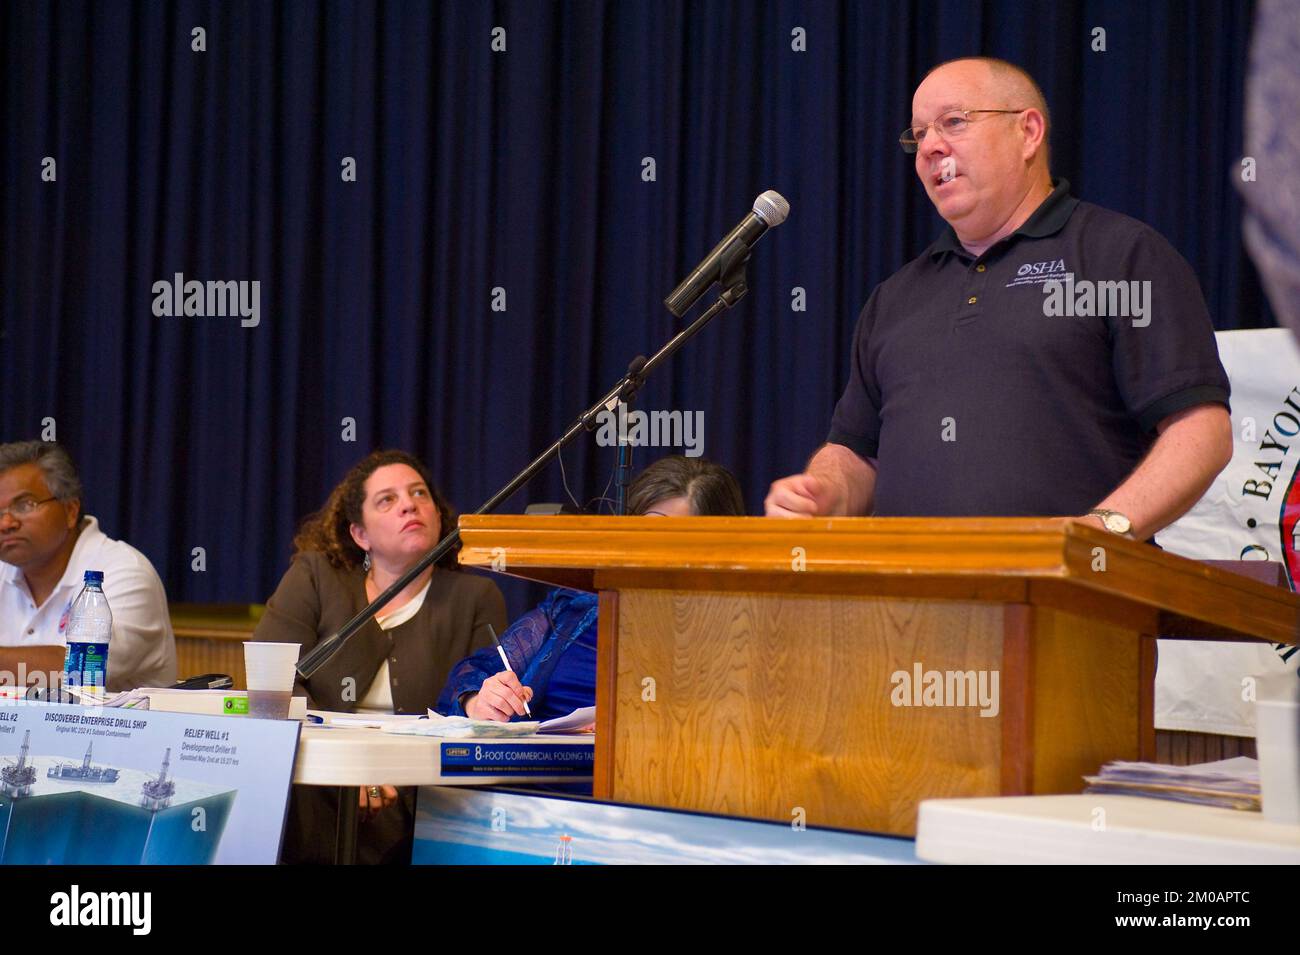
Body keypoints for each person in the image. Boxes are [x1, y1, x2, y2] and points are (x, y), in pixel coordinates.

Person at [765, 57, 1233, 543]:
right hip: (907, 586)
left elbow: (1201, 432)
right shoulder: (895, 297)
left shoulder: (1119, 255)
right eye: (919, 134)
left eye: (953, 122)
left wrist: (1099, 532)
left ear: (1028, 132)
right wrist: (825, 491)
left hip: (1072, 583)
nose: (930, 147)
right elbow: (860, 453)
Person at [255, 448, 506, 863]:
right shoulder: (316, 577)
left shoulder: (475, 597)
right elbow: (273, 683)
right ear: (360, 535)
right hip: (318, 783)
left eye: (419, 493)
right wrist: (349, 768)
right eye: (387, 500)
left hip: (423, 792)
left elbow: (478, 705)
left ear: (438, 515)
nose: (409, 504)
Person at [436, 455, 745, 723]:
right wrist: (479, 701)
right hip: (538, 770)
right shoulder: (577, 606)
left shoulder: (734, 634)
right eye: (643, 531)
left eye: (669, 539)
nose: (650, 550)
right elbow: (475, 671)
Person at [0, 440, 176, 691]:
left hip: (110, 719)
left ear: (71, 511)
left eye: (25, 505)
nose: (6, 523)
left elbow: (84, 669)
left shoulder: (126, 571)